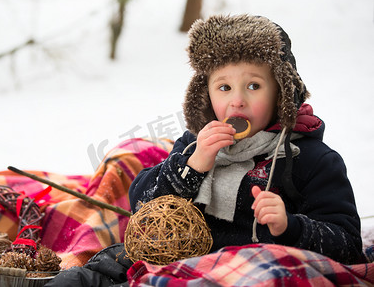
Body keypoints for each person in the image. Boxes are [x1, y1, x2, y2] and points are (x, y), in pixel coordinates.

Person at [129, 14, 364, 264]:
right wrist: (192, 167)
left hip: (259, 272)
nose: (237, 100)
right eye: (224, 88)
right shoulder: (194, 145)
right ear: (206, 94)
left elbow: (348, 245)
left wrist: (290, 227)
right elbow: (141, 206)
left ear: (281, 93)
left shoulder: (312, 159)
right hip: (186, 269)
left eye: (254, 86)